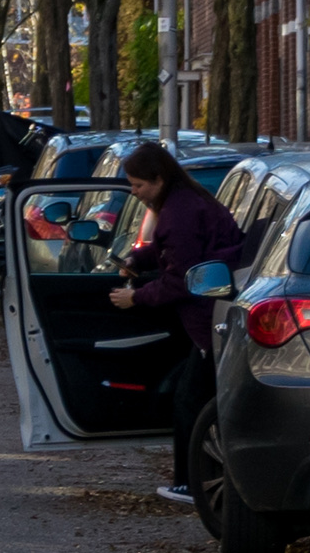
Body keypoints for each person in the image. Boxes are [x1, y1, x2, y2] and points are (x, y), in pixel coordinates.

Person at [107, 140, 250, 505]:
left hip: (210, 319)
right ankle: (198, 479)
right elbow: (176, 253)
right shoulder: (184, 201)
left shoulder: (176, 213)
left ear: (158, 179)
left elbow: (181, 279)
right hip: (215, 314)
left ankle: (191, 483)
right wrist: (139, 258)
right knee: (196, 399)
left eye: (138, 185)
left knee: (190, 402)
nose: (135, 193)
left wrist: (135, 296)